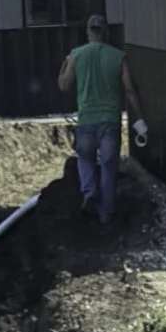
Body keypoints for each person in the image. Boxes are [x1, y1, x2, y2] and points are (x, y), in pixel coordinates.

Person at [58, 14, 145, 226]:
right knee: (108, 167)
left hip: (87, 119)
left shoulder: (76, 55)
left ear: (88, 33)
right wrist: (140, 117)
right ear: (105, 33)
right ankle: (106, 215)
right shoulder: (118, 56)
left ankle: (89, 192)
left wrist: (64, 66)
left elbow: (64, 85)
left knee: (85, 159)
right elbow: (130, 90)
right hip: (110, 121)